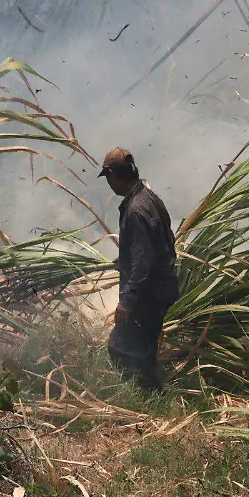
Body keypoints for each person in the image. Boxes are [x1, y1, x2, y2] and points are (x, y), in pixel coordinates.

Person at [99, 148, 179, 392]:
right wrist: (123, 260)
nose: (109, 184)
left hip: (149, 294)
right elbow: (161, 243)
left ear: (114, 175)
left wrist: (127, 302)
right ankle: (148, 397)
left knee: (121, 348)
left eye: (108, 178)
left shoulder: (134, 210)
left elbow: (143, 262)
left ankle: (152, 397)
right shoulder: (150, 197)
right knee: (143, 348)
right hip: (161, 287)